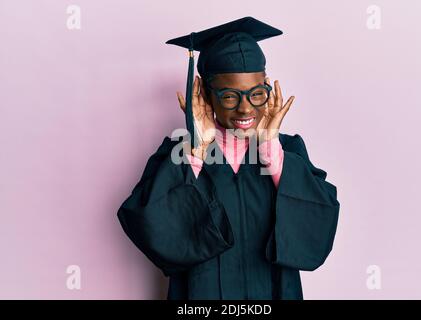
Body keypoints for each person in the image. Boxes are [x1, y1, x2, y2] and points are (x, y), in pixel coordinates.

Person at [117, 16, 340, 300]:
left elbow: (318, 225)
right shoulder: (179, 153)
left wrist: (270, 148)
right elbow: (148, 222)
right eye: (230, 96)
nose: (246, 108)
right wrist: (197, 150)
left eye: (257, 94)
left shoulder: (287, 151)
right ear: (207, 96)